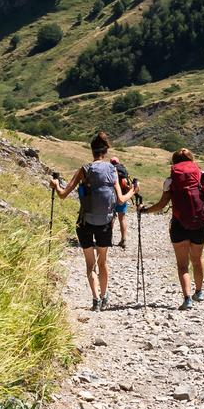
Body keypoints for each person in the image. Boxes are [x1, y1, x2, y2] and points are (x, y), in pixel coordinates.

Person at [141, 148, 204, 309]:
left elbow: (162, 205)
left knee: (182, 265)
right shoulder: (203, 175)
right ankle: (199, 292)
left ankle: (187, 299)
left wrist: (145, 210)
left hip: (179, 225)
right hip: (199, 224)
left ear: (174, 163)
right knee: (197, 260)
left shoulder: (170, 180)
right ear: (192, 160)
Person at [54, 133, 131, 310]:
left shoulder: (84, 169)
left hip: (85, 222)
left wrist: (55, 184)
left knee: (90, 264)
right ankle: (104, 297)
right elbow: (120, 200)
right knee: (103, 262)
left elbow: (63, 194)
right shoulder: (113, 170)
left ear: (92, 151)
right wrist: (134, 190)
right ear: (106, 151)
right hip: (105, 223)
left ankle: (95, 299)